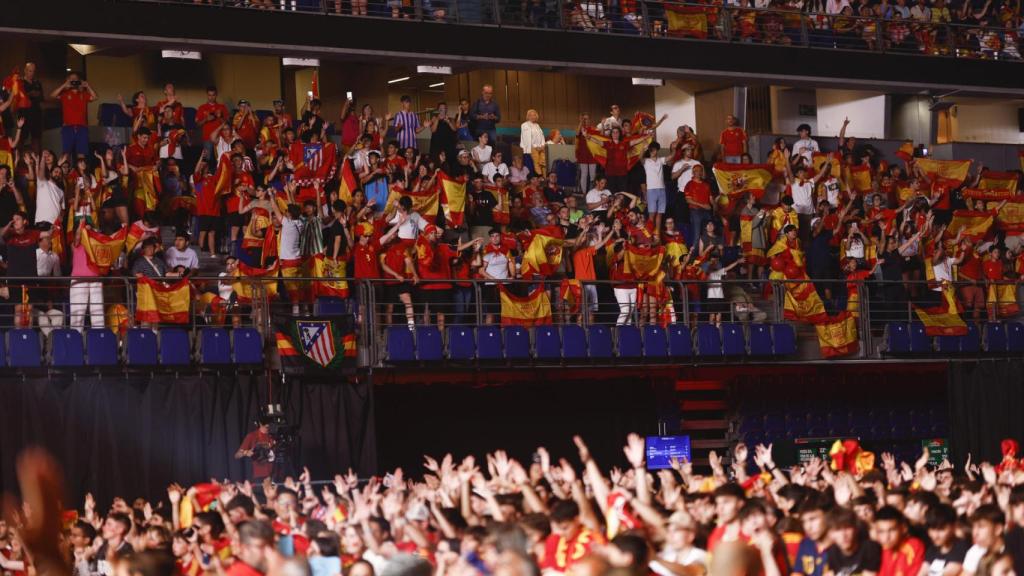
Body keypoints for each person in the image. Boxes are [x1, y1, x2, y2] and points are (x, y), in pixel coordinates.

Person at [50, 71, 97, 159]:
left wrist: (87, 86)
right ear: (68, 80)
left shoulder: (83, 94)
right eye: (71, 79)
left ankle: (81, 172)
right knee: (66, 154)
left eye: (75, 79)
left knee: (81, 154)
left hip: (82, 127)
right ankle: (65, 172)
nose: (73, 80)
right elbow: (52, 95)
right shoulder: (64, 94)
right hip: (68, 127)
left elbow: (95, 97)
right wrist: (64, 85)